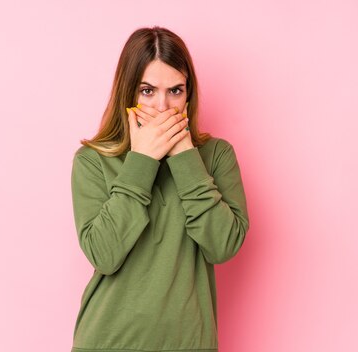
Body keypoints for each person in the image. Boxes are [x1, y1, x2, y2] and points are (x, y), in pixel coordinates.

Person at [69, 26, 250, 352]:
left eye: (175, 91)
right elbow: (103, 255)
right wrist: (141, 160)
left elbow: (223, 246)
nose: (164, 107)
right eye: (148, 91)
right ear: (128, 93)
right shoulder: (93, 161)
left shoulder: (216, 156)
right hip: (107, 342)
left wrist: (185, 157)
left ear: (188, 94)